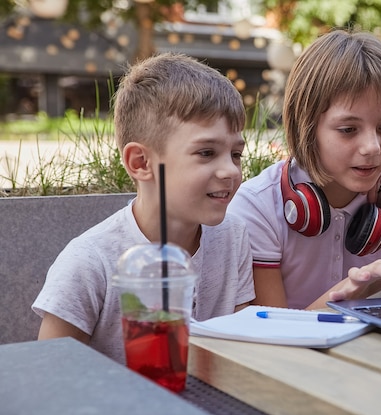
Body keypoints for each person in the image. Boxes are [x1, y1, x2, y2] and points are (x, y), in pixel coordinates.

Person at [32, 53, 255, 364]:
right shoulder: (90, 262)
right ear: (141, 163)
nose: (230, 170)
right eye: (206, 152)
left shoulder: (233, 236)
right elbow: (48, 373)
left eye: (235, 154)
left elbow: (242, 351)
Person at [228, 29, 381, 311]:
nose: (372, 147)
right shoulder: (257, 205)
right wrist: (346, 294)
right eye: (348, 129)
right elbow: (271, 336)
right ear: (307, 127)